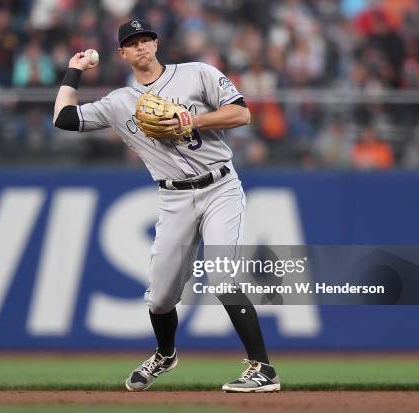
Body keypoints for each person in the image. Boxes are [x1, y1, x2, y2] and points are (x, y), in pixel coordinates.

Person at [53, 19, 279, 393]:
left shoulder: (196, 74)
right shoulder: (119, 103)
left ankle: (263, 369)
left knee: (223, 276)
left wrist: (194, 121)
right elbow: (63, 119)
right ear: (122, 53)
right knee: (159, 299)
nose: (141, 46)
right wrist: (73, 70)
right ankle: (165, 353)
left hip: (220, 186)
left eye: (146, 39)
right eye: (132, 43)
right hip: (173, 198)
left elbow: (242, 113)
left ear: (156, 44)